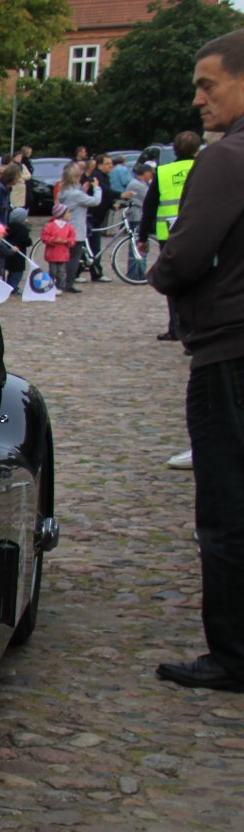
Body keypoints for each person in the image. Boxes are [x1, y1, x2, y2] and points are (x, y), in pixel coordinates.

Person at [149, 27, 244, 691]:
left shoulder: (227, 159)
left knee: (227, 506)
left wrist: (165, 275)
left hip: (229, 349)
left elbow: (181, 257)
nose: (198, 99)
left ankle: (233, 653)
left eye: (208, 85)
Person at [140, 130, 201, 342]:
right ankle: (198, 326)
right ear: (197, 149)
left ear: (174, 150)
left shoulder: (163, 172)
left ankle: (176, 327)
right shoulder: (203, 167)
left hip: (169, 235)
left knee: (174, 281)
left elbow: (149, 206)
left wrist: (142, 237)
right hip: (199, 232)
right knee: (200, 280)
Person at [55, 162, 100, 290]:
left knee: (65, 257)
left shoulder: (64, 191)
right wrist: (97, 188)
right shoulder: (76, 194)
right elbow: (95, 201)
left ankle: (62, 282)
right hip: (76, 229)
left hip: (65, 228)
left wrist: (83, 189)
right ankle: (68, 283)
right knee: (74, 257)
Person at [82, 154, 114, 281]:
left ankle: (96, 272)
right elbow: (104, 191)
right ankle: (81, 272)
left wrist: (112, 204)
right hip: (91, 215)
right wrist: (121, 195)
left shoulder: (105, 176)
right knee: (89, 245)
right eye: (107, 163)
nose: (110, 166)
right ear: (100, 165)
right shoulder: (96, 176)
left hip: (98, 216)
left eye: (111, 163)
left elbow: (106, 196)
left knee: (94, 245)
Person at [40, 202, 76, 292]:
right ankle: (51, 287)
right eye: (67, 212)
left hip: (63, 254)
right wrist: (54, 240)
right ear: (61, 214)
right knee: (53, 272)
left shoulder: (69, 227)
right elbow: (44, 237)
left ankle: (60, 287)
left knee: (61, 272)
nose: (69, 214)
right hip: (52, 254)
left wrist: (66, 241)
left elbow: (72, 239)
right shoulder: (50, 226)